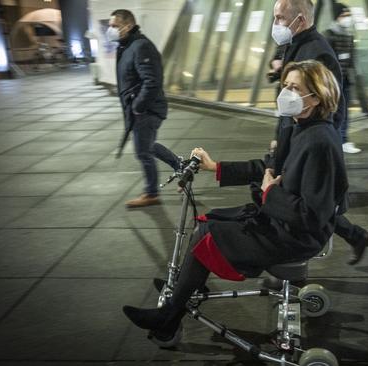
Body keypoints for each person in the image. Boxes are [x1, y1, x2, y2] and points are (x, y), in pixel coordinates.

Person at [123, 60, 348, 346]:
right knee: (210, 220)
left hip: (297, 235)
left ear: (315, 97)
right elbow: (266, 166)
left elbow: (313, 216)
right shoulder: (300, 127)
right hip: (281, 221)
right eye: (285, 86)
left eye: (295, 88)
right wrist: (214, 167)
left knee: (209, 236)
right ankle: (185, 288)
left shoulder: (319, 143)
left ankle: (168, 318)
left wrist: (269, 194)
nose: (286, 93)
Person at [271, 0, 368, 265]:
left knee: (299, 200)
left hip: (305, 138)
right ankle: (356, 236)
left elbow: (329, 105)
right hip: (294, 134)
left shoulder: (317, 52)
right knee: (296, 197)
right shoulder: (295, 44)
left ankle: (286, 270)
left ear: (301, 20)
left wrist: (310, 143)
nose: (277, 24)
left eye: (281, 18)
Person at [108, 9, 168, 208]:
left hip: (147, 110)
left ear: (128, 26)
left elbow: (152, 81)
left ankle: (152, 193)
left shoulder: (141, 46)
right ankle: (179, 165)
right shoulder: (127, 46)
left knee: (143, 151)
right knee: (148, 145)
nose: (111, 30)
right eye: (110, 26)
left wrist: (138, 106)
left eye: (114, 26)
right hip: (139, 109)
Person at [324, 2, 361, 154]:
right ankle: (333, 140)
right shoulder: (329, 35)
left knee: (344, 112)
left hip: (345, 80)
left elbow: (351, 59)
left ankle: (343, 140)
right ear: (337, 17)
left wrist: (353, 75)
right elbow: (326, 60)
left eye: (348, 15)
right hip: (332, 81)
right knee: (332, 112)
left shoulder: (349, 35)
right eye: (344, 15)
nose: (348, 18)